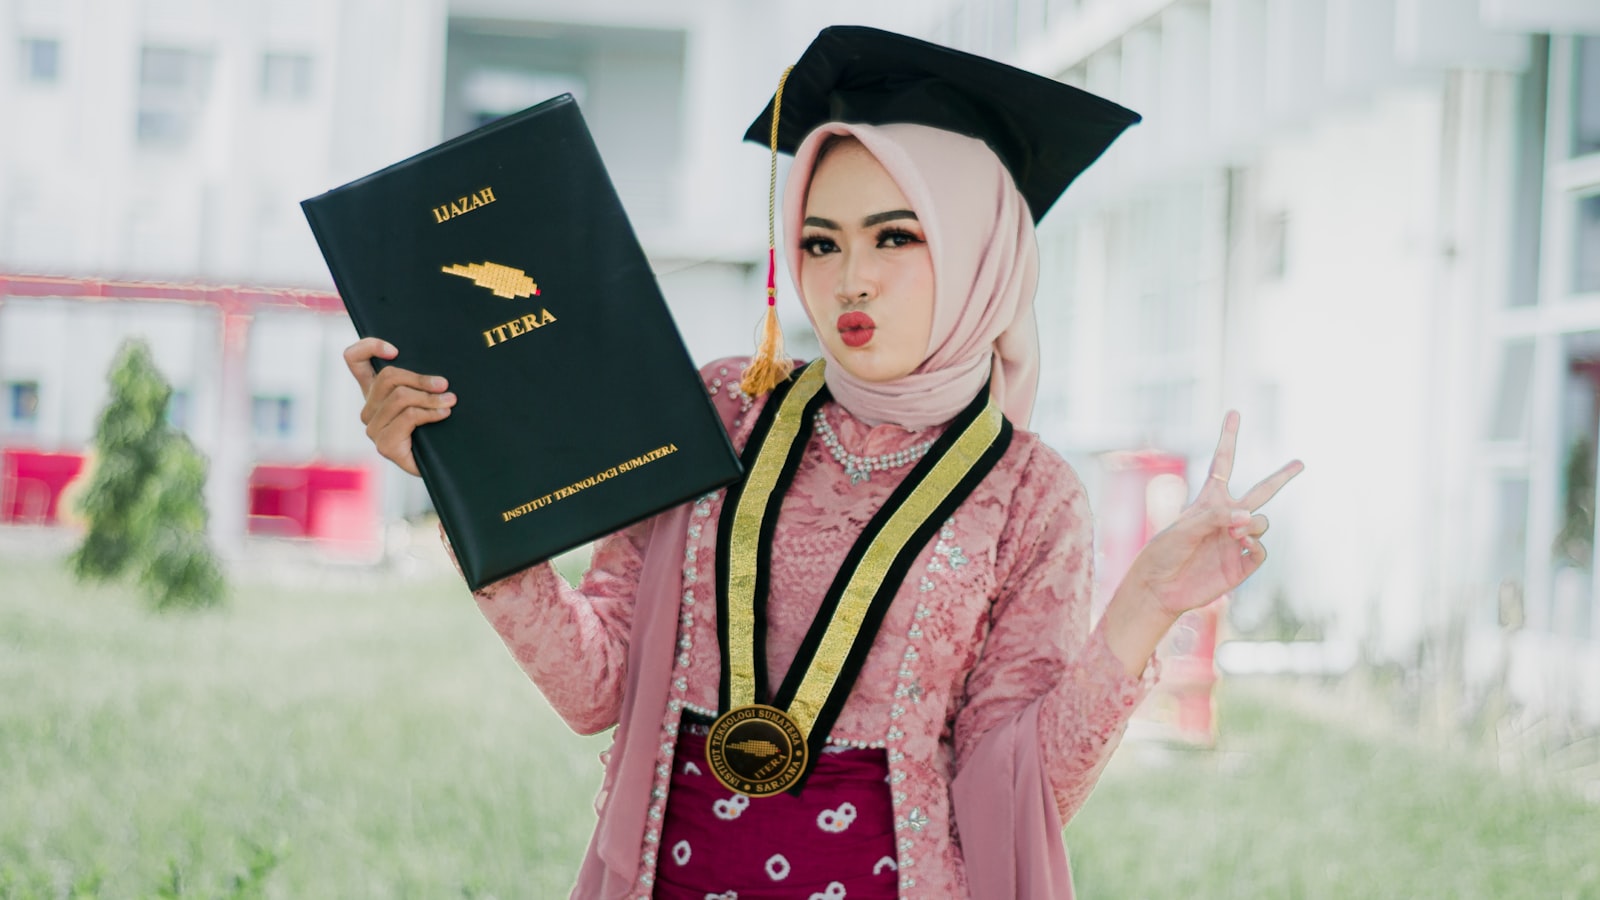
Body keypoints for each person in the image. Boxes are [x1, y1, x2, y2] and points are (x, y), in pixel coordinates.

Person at [342, 26, 1301, 900]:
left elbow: (1021, 790)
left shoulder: (1029, 495)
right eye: (820, 241)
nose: (852, 278)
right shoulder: (725, 409)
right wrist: (461, 473)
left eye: (897, 236)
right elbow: (599, 687)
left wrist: (1146, 610)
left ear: (981, 251)